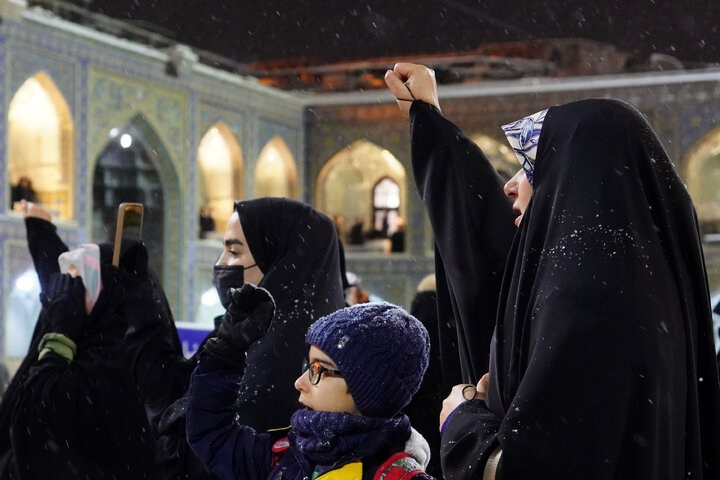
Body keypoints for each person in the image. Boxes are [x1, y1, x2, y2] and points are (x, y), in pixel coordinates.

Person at [386, 63, 720, 479]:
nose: (511, 186)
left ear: (571, 180)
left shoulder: (586, 303)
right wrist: (431, 123)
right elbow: (488, 240)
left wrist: (463, 421)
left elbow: (536, 467)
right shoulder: (636, 289)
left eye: (530, 169)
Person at [127, 197, 346, 478]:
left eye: (233, 251)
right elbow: (175, 394)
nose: (221, 264)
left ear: (280, 263)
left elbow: (199, 443)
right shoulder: (239, 341)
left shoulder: (296, 368)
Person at [187, 294, 435, 480]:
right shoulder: (288, 453)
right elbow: (213, 436)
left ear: (369, 388)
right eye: (308, 365)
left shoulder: (395, 475)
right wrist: (225, 354)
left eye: (319, 369)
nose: (300, 382)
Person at [0, 201, 157, 479]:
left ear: (102, 295)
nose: (65, 295)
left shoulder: (111, 365)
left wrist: (60, 333)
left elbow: (37, 420)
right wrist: (40, 229)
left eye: (76, 284)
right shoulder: (84, 336)